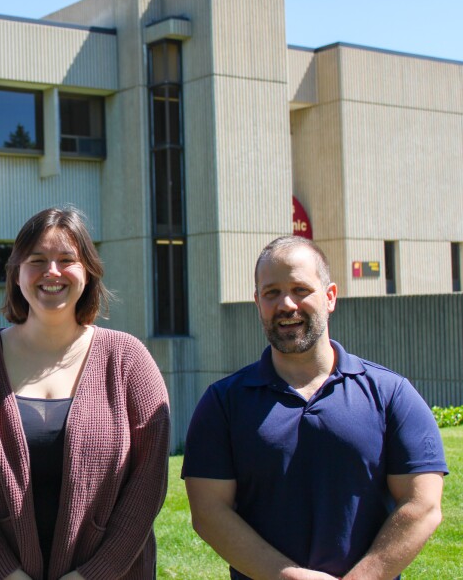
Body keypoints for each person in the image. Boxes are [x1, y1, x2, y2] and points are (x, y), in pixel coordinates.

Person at [182, 236, 447, 580]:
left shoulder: (390, 393)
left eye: (301, 289)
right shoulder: (223, 403)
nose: (286, 304)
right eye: (271, 293)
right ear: (257, 302)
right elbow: (208, 511)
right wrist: (286, 576)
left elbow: (422, 505)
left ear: (330, 296)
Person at [0, 207, 171, 580]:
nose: (52, 272)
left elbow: (148, 482)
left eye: (67, 260)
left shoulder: (128, 359)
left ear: (88, 271)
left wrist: (94, 574)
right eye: (37, 260)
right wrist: (5, 572)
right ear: (16, 273)